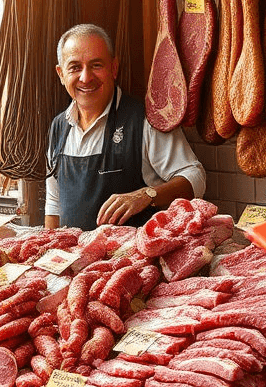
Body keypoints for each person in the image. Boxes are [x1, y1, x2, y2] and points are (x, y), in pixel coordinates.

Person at [45, 24, 205, 231]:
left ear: (114, 68)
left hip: (130, 261)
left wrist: (146, 195)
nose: (86, 78)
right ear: (60, 74)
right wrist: (46, 248)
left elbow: (196, 177)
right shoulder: (58, 126)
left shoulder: (144, 120)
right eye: (75, 67)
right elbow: (54, 202)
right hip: (75, 260)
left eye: (96, 65)